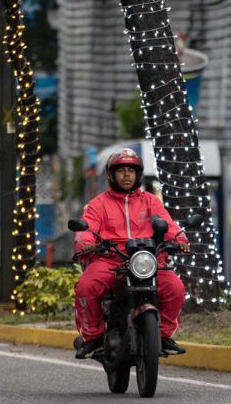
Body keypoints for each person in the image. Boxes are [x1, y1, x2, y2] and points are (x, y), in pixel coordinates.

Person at [73, 148, 189, 359]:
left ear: (138, 175)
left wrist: (179, 240)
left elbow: (168, 224)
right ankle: (94, 338)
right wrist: (87, 243)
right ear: (111, 175)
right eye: (121, 171)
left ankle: (163, 336)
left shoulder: (152, 202)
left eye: (131, 170)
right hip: (110, 259)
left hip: (147, 259)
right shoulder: (98, 204)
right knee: (86, 287)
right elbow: (85, 229)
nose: (126, 175)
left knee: (176, 288)